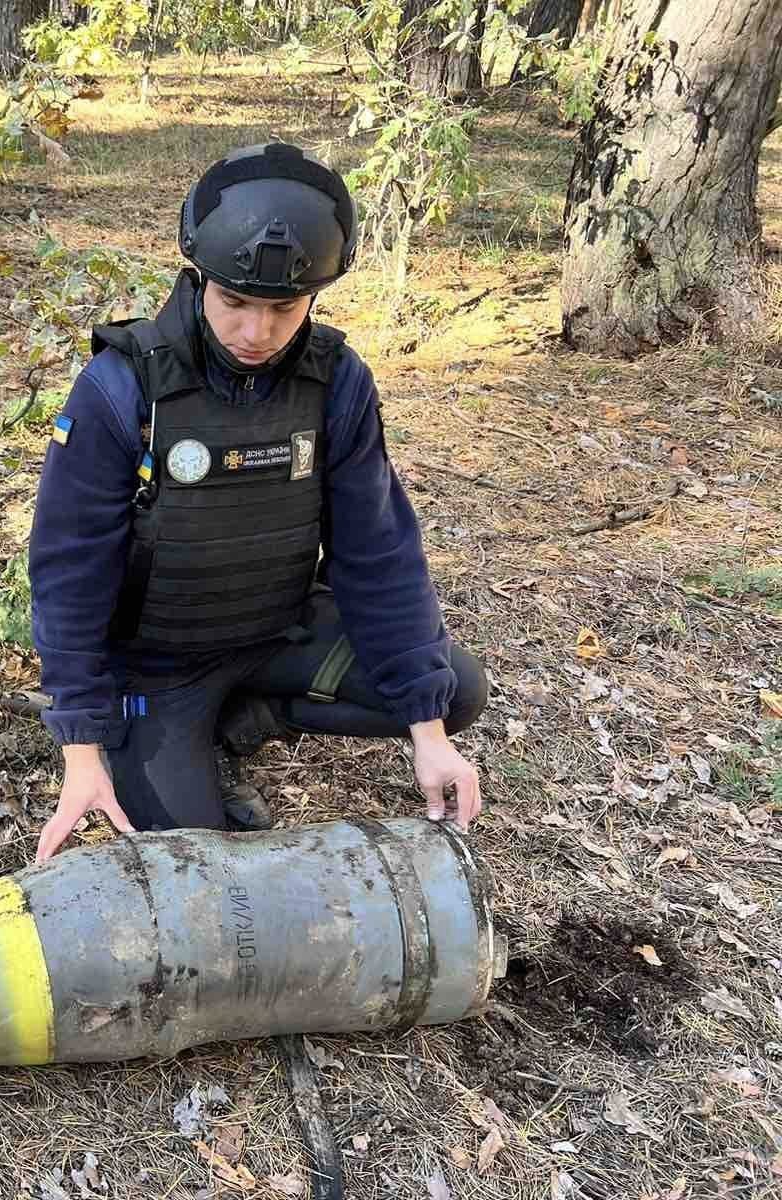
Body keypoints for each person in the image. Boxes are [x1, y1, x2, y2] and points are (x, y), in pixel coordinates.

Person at [27, 142, 488, 865]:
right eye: (235, 302)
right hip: (157, 668)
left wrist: (428, 737)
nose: (255, 333)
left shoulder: (336, 383)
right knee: (199, 859)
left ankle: (251, 714)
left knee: (450, 692)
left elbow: (378, 551)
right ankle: (173, 733)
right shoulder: (123, 388)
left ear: (316, 296)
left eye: (283, 308)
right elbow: (67, 573)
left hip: (278, 632)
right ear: (199, 278)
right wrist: (82, 749)